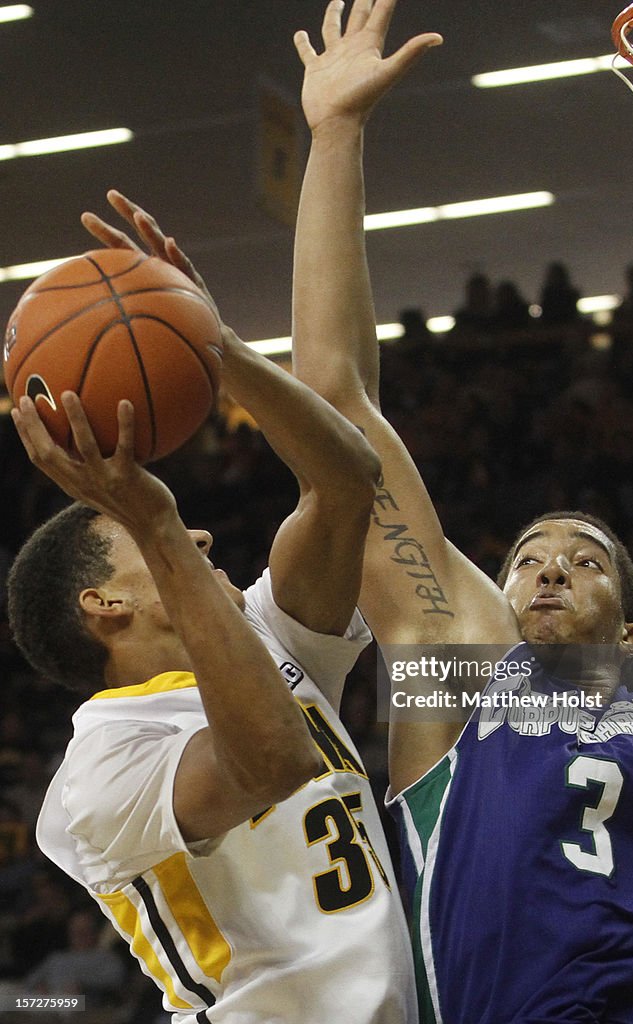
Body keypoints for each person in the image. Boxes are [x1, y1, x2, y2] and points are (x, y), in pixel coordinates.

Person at [290, 1, 633, 1021]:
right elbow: (334, 401)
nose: (552, 568)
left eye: (588, 560)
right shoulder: (455, 671)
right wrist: (335, 136)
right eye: (527, 558)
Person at [7, 191, 418, 1021]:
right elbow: (271, 762)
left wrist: (214, 343)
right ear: (105, 602)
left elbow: (346, 481)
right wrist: (150, 519)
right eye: (152, 540)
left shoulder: (265, 636)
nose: (196, 536)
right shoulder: (97, 776)